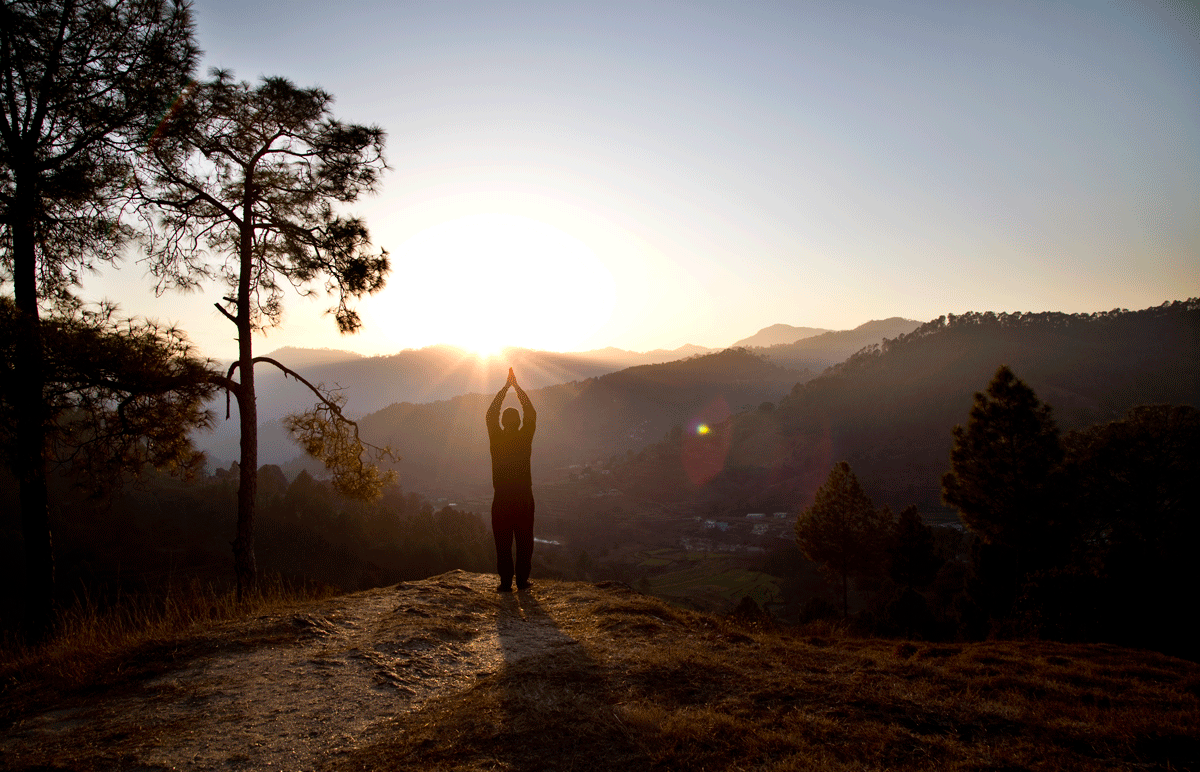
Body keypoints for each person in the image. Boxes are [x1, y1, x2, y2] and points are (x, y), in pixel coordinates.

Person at [486, 367, 537, 592]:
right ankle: (523, 581)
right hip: (524, 498)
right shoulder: (524, 438)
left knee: (503, 544)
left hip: (502, 500)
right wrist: (517, 388)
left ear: (503, 422)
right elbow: (531, 412)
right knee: (525, 542)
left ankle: (505, 583)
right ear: (518, 422)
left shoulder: (496, 439)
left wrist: (505, 388)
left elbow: (490, 414)